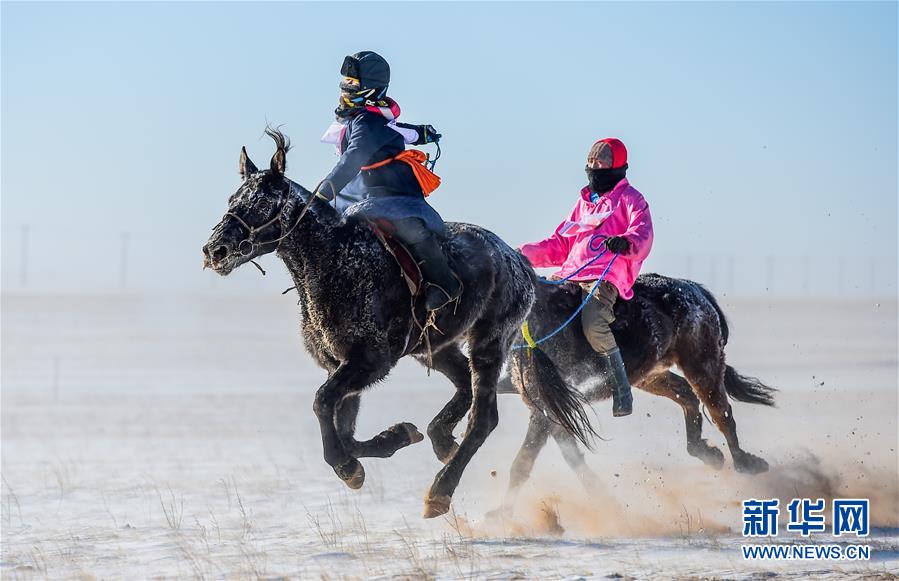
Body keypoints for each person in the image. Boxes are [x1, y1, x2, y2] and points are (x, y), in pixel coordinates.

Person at [315, 51, 460, 311]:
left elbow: (352, 160)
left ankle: (444, 284)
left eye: (353, 83)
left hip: (393, 190)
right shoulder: (365, 116)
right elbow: (399, 131)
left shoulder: (367, 121)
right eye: (346, 81)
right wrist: (421, 133)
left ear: (371, 89)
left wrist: (323, 194)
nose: (346, 87)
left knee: (410, 227)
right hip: (367, 190)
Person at [518, 138, 654, 417]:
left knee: (594, 324)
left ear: (617, 167)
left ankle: (621, 387)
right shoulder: (583, 203)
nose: (594, 168)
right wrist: (522, 254)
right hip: (568, 274)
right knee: (529, 307)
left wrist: (625, 242)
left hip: (604, 277)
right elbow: (559, 245)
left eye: (601, 163)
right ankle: (520, 370)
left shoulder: (631, 200)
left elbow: (644, 235)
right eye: (591, 163)